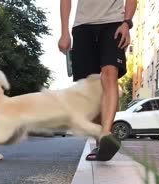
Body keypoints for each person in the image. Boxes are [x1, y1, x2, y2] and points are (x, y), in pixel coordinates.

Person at [58, 0, 137, 161]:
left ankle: (105, 135)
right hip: (82, 26)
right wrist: (64, 32)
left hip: (114, 23)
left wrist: (127, 23)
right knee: (90, 88)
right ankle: (100, 141)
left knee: (110, 73)